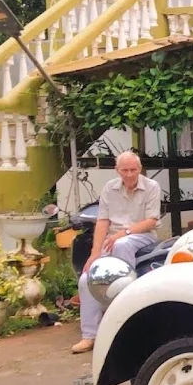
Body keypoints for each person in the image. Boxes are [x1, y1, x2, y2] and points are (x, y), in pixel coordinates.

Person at [71, 151, 161, 354]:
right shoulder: (109, 188)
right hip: (112, 239)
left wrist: (123, 233)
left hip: (141, 235)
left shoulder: (151, 187)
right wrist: (94, 254)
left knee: (122, 244)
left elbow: (151, 221)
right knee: (86, 279)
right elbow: (102, 221)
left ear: (140, 169)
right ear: (117, 170)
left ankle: (123, 314)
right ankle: (89, 336)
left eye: (133, 170)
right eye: (125, 170)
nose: (129, 174)